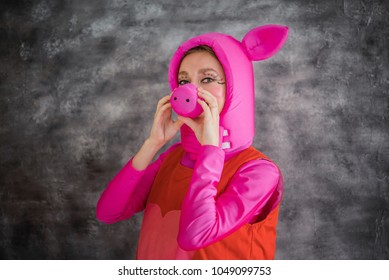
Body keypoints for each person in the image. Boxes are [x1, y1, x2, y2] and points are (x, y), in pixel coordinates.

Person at [96, 25, 289, 259]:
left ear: (237, 89)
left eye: (207, 78)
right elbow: (108, 212)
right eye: (183, 80)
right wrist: (152, 144)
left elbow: (195, 236)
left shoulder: (259, 172)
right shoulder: (173, 156)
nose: (191, 90)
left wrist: (211, 149)